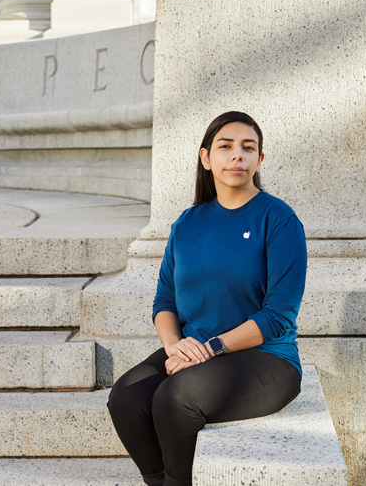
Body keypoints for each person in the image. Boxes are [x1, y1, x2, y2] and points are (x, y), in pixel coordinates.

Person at [107, 110, 308, 486]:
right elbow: (165, 301)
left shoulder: (278, 220)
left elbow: (278, 316)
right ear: (206, 158)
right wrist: (174, 346)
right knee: (126, 398)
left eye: (248, 148)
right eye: (226, 147)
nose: (238, 155)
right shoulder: (187, 224)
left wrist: (210, 348)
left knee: (176, 398)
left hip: (266, 359)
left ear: (260, 160)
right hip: (195, 351)